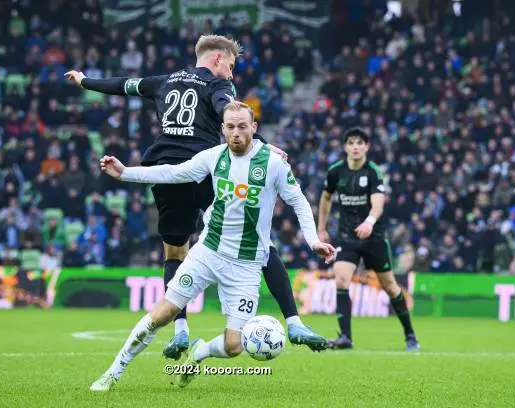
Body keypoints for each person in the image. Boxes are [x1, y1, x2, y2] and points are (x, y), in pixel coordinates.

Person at [65, 34, 328, 357]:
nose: (231, 74)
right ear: (217, 59)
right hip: (206, 170)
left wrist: (85, 81)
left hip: (165, 170)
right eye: (230, 66)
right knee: (259, 242)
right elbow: (229, 115)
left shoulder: (163, 81)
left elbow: (123, 85)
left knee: (175, 252)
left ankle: (180, 330)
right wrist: (260, 146)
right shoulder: (219, 87)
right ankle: (294, 321)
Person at [89, 101, 336, 391]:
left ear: (253, 128)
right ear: (222, 129)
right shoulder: (213, 157)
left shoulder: (272, 163)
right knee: (163, 314)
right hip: (208, 252)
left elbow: (299, 202)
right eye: (230, 127)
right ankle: (113, 372)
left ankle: (200, 352)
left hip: (246, 266)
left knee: (234, 346)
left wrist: (313, 240)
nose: (236, 133)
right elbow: (172, 173)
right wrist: (126, 173)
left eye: (242, 127)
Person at [317, 127, 420, 351]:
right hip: (347, 236)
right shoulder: (336, 172)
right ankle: (345, 337)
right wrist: (321, 228)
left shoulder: (373, 172)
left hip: (374, 237)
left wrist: (369, 222)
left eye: (360, 143)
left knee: (391, 287)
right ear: (345, 147)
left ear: (366, 146)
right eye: (351, 142)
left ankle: (410, 335)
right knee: (341, 279)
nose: (355, 147)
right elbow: (325, 198)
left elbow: (378, 203)